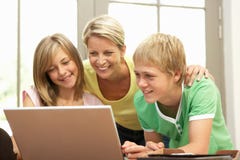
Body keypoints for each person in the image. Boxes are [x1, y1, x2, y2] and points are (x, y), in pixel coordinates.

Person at [82, 14, 213, 146]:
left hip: (156, 128)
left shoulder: (140, 69)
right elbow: (63, 80)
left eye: (108, 53)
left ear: (122, 50)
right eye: (93, 53)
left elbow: (173, 72)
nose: (100, 61)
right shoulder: (84, 72)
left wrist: (197, 70)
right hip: (121, 130)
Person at [122, 33, 233, 159]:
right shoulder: (141, 101)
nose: (141, 83)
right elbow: (154, 148)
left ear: (176, 75)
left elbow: (199, 148)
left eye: (149, 76)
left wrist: (155, 153)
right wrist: (141, 151)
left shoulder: (201, 89)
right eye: (137, 74)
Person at [22, 33, 102, 106]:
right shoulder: (33, 99)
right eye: (52, 69)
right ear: (45, 73)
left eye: (65, 62)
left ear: (76, 59)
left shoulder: (94, 103)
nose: (61, 72)